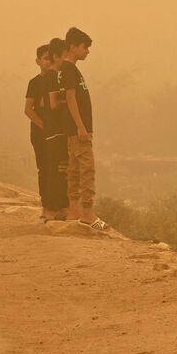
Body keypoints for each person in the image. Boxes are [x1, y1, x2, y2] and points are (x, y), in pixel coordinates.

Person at [61, 26, 107, 230]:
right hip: (78, 130)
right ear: (72, 47)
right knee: (86, 169)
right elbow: (70, 98)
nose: (87, 51)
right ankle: (87, 212)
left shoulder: (69, 69)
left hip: (75, 129)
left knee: (74, 169)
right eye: (84, 47)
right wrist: (81, 127)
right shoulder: (69, 69)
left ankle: (74, 209)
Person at [41, 37, 69, 220]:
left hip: (53, 130)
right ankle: (55, 208)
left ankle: (55, 208)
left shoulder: (48, 77)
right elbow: (51, 104)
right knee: (58, 169)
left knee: (56, 169)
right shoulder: (53, 77)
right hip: (56, 130)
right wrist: (68, 100)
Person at [24, 44, 51, 219]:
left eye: (52, 58)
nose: (49, 62)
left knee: (58, 170)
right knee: (44, 168)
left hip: (57, 134)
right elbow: (28, 110)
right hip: (40, 134)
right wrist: (44, 126)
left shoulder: (59, 80)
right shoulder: (34, 83)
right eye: (46, 58)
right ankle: (46, 207)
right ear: (38, 61)